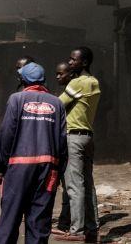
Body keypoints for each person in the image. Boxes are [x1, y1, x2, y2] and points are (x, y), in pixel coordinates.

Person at [0, 63, 68, 244]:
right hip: (47, 169)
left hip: (18, 167)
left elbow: (6, 135)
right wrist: (58, 173)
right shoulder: (57, 103)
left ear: (22, 80)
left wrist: (1, 167)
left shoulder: (16, 99)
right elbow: (62, 142)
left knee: (9, 220)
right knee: (39, 224)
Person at [55, 47, 100, 243]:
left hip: (73, 137)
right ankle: (91, 227)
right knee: (88, 184)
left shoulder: (77, 83)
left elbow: (58, 105)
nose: (70, 62)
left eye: (74, 60)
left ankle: (77, 230)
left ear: (84, 63)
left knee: (74, 185)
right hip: (87, 136)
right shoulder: (94, 82)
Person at [52, 62, 74, 237]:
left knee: (69, 185)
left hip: (69, 140)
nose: (58, 77)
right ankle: (65, 221)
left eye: (61, 74)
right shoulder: (69, 89)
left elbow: (57, 106)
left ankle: (67, 223)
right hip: (65, 141)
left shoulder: (72, 89)